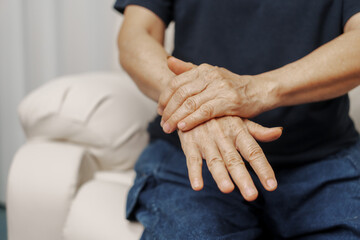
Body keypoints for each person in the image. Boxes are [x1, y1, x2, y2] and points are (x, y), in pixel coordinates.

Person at [115, 0, 360, 239]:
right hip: (189, 158)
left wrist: (253, 90)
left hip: (323, 157)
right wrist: (197, 104)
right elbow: (136, 36)